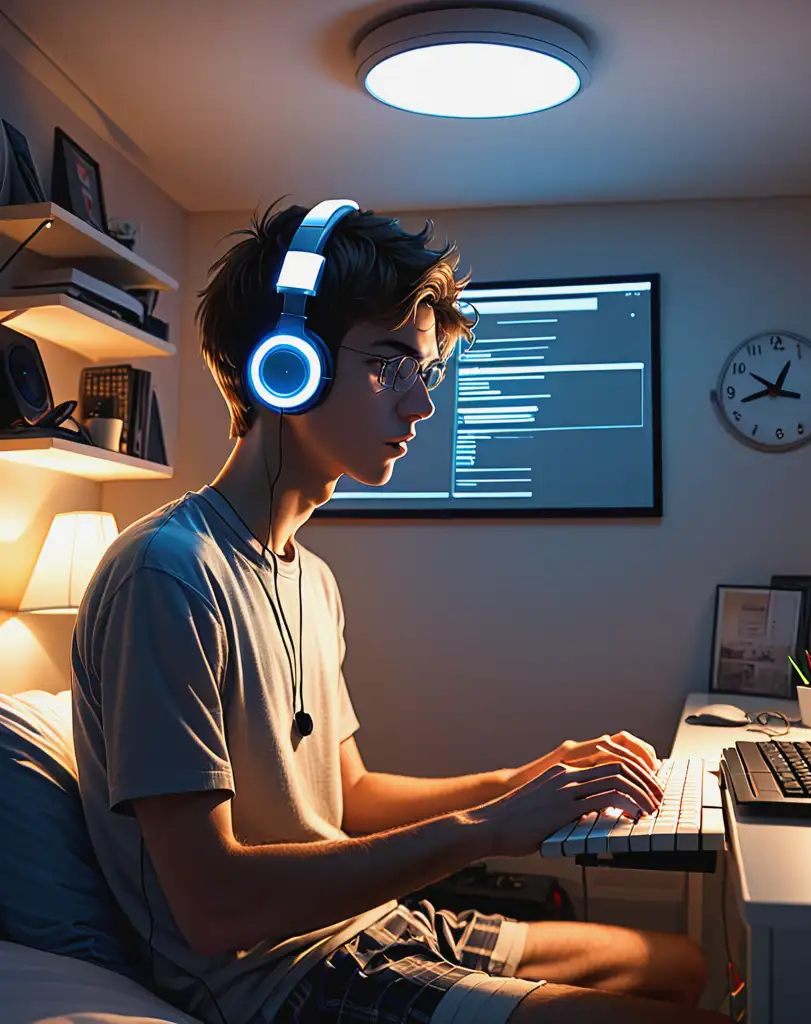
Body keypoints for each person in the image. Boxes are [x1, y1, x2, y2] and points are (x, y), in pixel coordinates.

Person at [71, 199, 729, 1024]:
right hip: (274, 979)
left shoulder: (310, 578)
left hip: (363, 927)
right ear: (286, 363)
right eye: (388, 364)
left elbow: (348, 798)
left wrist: (530, 781)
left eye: (425, 373)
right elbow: (215, 908)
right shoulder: (167, 576)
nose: (419, 408)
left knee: (676, 963)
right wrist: (489, 827)